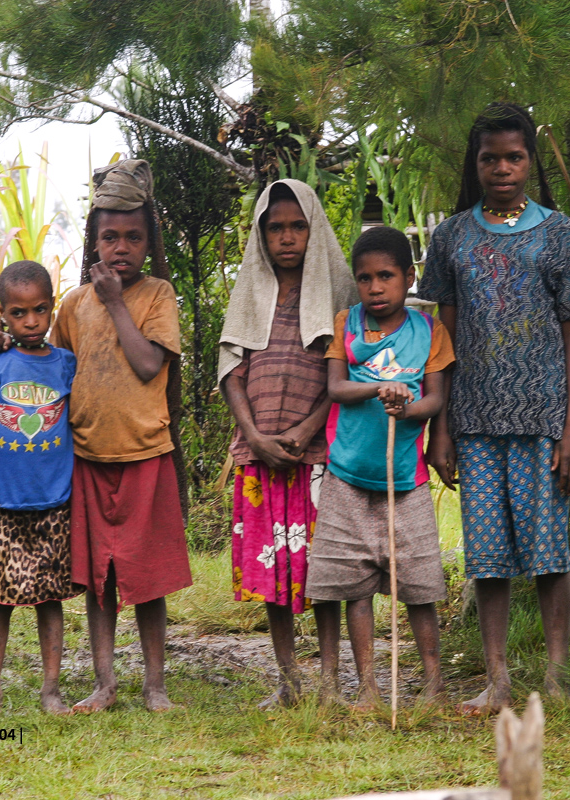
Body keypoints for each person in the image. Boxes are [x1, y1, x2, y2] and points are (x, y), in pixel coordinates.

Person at [418, 102, 570, 716]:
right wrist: (439, 426)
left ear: (530, 161)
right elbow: (444, 335)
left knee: (549, 553)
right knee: (487, 558)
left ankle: (557, 675)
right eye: (490, 157)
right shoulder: (451, 237)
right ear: (476, 163)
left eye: (514, 157)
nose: (502, 168)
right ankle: (497, 679)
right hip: (472, 420)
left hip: (545, 418)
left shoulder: (559, 234)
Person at [218, 179, 358, 707]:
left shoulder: (336, 292)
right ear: (261, 234)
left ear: (313, 228)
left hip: (317, 455)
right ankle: (288, 680)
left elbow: (342, 373)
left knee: (323, 570)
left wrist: (305, 430)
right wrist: (254, 434)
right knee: (271, 573)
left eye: (297, 226)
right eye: (274, 228)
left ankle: (328, 685)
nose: (286, 238)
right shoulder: (250, 291)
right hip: (259, 452)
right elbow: (232, 370)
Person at [59, 159, 192, 713]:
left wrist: (115, 302)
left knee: (148, 578)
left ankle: (155, 685)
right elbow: (55, 373)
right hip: (88, 457)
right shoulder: (72, 304)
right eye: (109, 237)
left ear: (147, 241)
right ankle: (105, 683)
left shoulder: (157, 296)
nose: (121, 248)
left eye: (133, 238)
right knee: (98, 579)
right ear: (93, 241)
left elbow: (144, 366)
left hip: (145, 456)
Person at [308, 226, 455, 710]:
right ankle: (368, 687)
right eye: (365, 278)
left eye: (387, 276)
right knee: (353, 586)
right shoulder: (346, 324)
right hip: (347, 476)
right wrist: (376, 389)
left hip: (405, 481)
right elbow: (335, 388)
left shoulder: (429, 331)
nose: (375, 288)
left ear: (408, 277)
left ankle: (433, 686)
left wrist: (408, 408)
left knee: (419, 585)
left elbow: (435, 399)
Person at [0, 260, 79, 716]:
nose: (30, 321)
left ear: (51, 307)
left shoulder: (65, 364)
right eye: (18, 313)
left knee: (50, 599)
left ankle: (51, 690)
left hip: (54, 502)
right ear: (1, 314)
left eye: (40, 310)